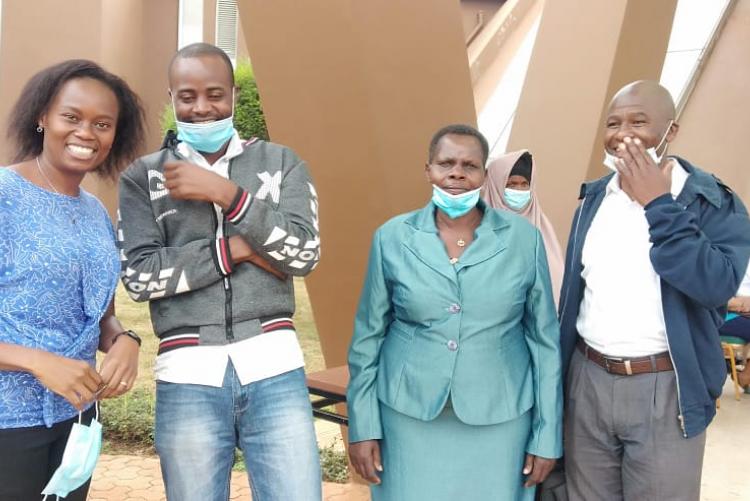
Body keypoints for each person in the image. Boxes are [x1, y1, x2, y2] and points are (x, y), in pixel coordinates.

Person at [117, 43, 322, 501]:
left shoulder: (282, 162)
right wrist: (236, 249)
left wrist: (230, 195)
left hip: (275, 365)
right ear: (171, 98)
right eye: (187, 96)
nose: (202, 107)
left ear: (232, 94)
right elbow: (141, 276)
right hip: (187, 372)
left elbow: (304, 253)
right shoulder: (143, 177)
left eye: (215, 93)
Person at [347, 124, 562, 500]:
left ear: (482, 174)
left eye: (469, 165)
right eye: (446, 163)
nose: (457, 173)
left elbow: (544, 342)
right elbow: (367, 339)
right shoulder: (392, 237)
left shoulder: (522, 239)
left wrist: (547, 434)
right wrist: (363, 426)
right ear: (428, 169)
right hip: (408, 415)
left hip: (500, 417)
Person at [558, 80, 750, 500]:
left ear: (671, 131)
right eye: (613, 123)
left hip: (666, 385)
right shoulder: (593, 200)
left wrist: (658, 205)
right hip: (587, 378)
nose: (623, 133)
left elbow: (715, 286)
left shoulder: (713, 202)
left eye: (638, 121)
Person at [0, 59, 145, 501]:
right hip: (7, 425)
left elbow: (101, 315)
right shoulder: (4, 197)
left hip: (76, 421)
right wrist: (39, 362)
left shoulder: (96, 212)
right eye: (72, 117)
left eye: (103, 124)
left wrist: (125, 340)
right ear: (42, 117)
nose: (87, 133)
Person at [483, 150, 565, 305]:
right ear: (496, 186)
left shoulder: (543, 230)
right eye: (511, 184)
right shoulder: (476, 229)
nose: (519, 190)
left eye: (524, 184)